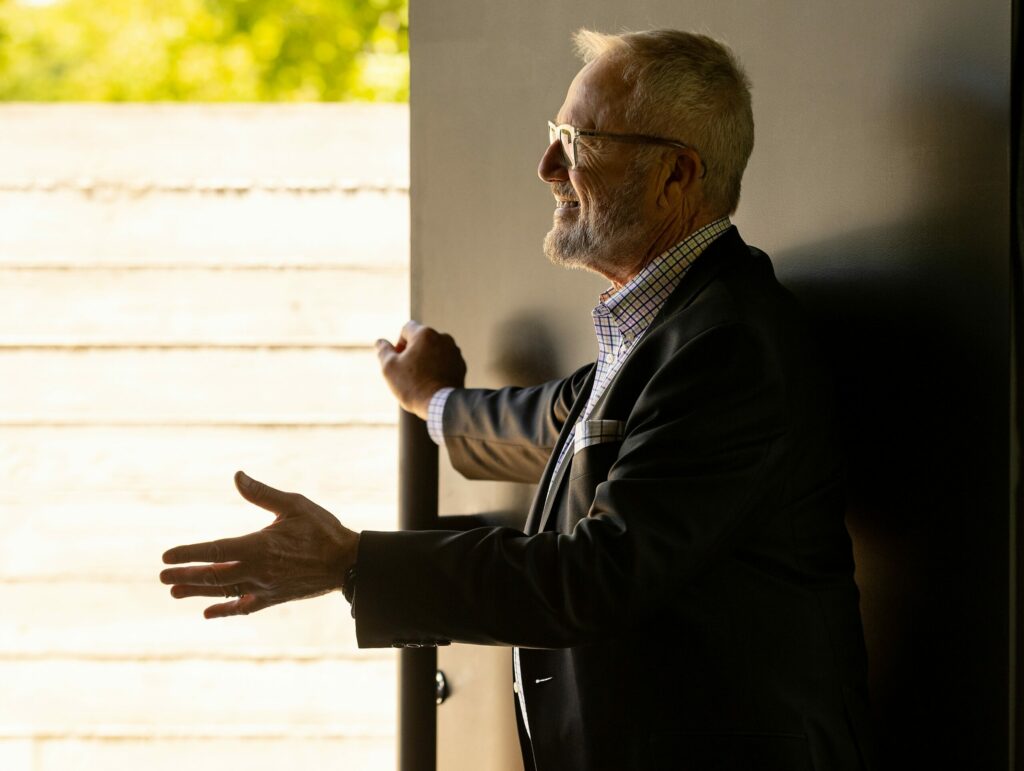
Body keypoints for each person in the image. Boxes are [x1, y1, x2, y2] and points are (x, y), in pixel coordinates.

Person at [161, 28, 873, 771]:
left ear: (676, 174)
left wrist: (350, 562)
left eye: (579, 141)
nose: (547, 166)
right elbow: (553, 424)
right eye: (555, 133)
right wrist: (433, 400)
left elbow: (593, 578)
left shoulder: (729, 347)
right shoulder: (669, 327)